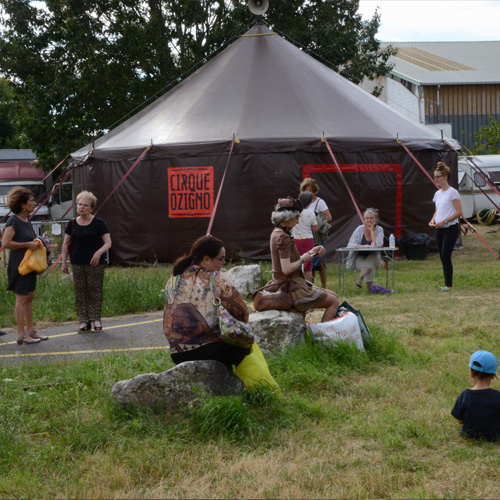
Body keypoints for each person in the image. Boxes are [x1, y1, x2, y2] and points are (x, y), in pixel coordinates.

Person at [163, 235, 253, 366]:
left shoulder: (173, 280)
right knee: (245, 342)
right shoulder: (217, 278)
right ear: (206, 259)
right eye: (221, 259)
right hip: (212, 352)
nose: (224, 263)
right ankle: (232, 382)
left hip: (178, 355)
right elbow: (243, 314)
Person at [269, 197, 338, 321]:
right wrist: (303, 260)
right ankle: (323, 338)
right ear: (288, 217)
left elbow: (288, 263)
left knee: (334, 295)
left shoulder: (278, 232)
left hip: (291, 283)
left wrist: (310, 253)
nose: (297, 221)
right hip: (289, 288)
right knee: (333, 301)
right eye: (296, 217)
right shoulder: (282, 237)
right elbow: (286, 269)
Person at [2, 187, 48, 344]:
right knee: (21, 298)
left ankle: (31, 330)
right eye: (31, 200)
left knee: (29, 297)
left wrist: (37, 243)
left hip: (29, 265)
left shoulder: (26, 220)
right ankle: (21, 334)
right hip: (19, 265)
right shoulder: (13, 221)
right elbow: (6, 243)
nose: (34, 203)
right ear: (22, 204)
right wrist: (28, 243)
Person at [61, 191, 112, 332]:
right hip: (77, 262)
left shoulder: (99, 223)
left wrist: (99, 252)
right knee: (80, 292)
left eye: (85, 205)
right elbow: (65, 244)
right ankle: (83, 321)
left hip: (95, 263)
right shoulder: (71, 223)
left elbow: (108, 242)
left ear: (91, 208)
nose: (82, 207)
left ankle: (95, 319)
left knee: (94, 291)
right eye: (79, 204)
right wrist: (64, 262)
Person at [451, 350, 500, 442]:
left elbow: (460, 420)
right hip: (494, 436)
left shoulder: (464, 396)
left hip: (469, 435)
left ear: (471, 373)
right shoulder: (498, 396)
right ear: (493, 376)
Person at [429, 161, 463, 291]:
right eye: (435, 177)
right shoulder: (437, 194)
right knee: (442, 256)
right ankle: (446, 282)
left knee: (446, 254)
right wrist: (433, 220)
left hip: (450, 228)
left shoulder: (452, 192)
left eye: (438, 177)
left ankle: (448, 285)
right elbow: (437, 210)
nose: (436, 179)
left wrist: (445, 221)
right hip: (439, 229)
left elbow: (459, 212)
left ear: (445, 177)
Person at [300, 178, 332, 288]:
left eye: (309, 191)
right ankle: (311, 287)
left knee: (321, 261)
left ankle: (324, 287)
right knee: (310, 262)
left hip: (318, 236)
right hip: (306, 236)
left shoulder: (320, 202)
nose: (308, 194)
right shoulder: (301, 203)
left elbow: (329, 217)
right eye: (305, 191)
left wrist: (317, 220)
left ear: (314, 191)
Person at [345, 208, 384, 292]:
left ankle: (360, 278)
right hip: (359, 257)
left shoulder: (379, 230)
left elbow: (378, 245)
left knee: (372, 257)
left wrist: (372, 231)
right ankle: (370, 291)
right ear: (364, 219)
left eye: (371, 218)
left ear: (376, 219)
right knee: (371, 268)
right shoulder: (359, 229)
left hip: (374, 258)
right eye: (367, 218)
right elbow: (350, 244)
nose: (369, 220)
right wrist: (362, 246)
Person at [291, 191, 318, 282]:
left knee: (295, 263)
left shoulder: (294, 211)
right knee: (307, 268)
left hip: (295, 239)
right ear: (310, 202)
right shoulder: (311, 213)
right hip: (308, 240)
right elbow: (315, 228)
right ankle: (308, 289)